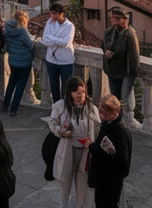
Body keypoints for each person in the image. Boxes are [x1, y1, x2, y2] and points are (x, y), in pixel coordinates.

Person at [48, 77, 98, 208]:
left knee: (82, 184)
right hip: (67, 149)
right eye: (76, 91)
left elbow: (99, 126)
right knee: (65, 182)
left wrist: (93, 143)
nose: (80, 95)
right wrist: (61, 131)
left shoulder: (91, 108)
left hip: (85, 151)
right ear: (70, 92)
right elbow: (52, 122)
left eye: (82, 91)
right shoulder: (60, 105)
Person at [87, 95, 133, 208]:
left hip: (109, 182)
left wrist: (93, 148)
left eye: (105, 114)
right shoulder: (109, 125)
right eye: (100, 111)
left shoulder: (119, 132)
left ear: (115, 113)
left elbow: (122, 163)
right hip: (105, 179)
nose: (101, 116)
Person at [101, 8, 140, 111]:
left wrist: (132, 73)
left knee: (123, 102)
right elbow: (103, 45)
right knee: (115, 101)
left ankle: (124, 122)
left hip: (125, 71)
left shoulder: (130, 34)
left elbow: (134, 56)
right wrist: (107, 52)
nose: (113, 20)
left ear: (125, 20)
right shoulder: (110, 31)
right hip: (112, 70)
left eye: (117, 18)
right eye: (112, 18)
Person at [40, 2, 76, 106]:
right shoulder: (49, 22)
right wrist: (57, 39)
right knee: (54, 86)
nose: (53, 16)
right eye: (52, 13)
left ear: (62, 13)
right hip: (51, 59)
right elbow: (44, 40)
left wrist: (51, 38)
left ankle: (66, 107)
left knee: (66, 86)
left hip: (65, 61)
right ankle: (56, 107)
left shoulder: (70, 26)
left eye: (55, 13)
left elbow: (66, 43)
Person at [1, 9, 34, 117]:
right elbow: (29, 45)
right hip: (24, 62)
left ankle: (5, 105)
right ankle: (14, 109)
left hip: (12, 60)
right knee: (20, 86)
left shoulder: (8, 28)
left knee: (11, 82)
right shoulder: (22, 31)